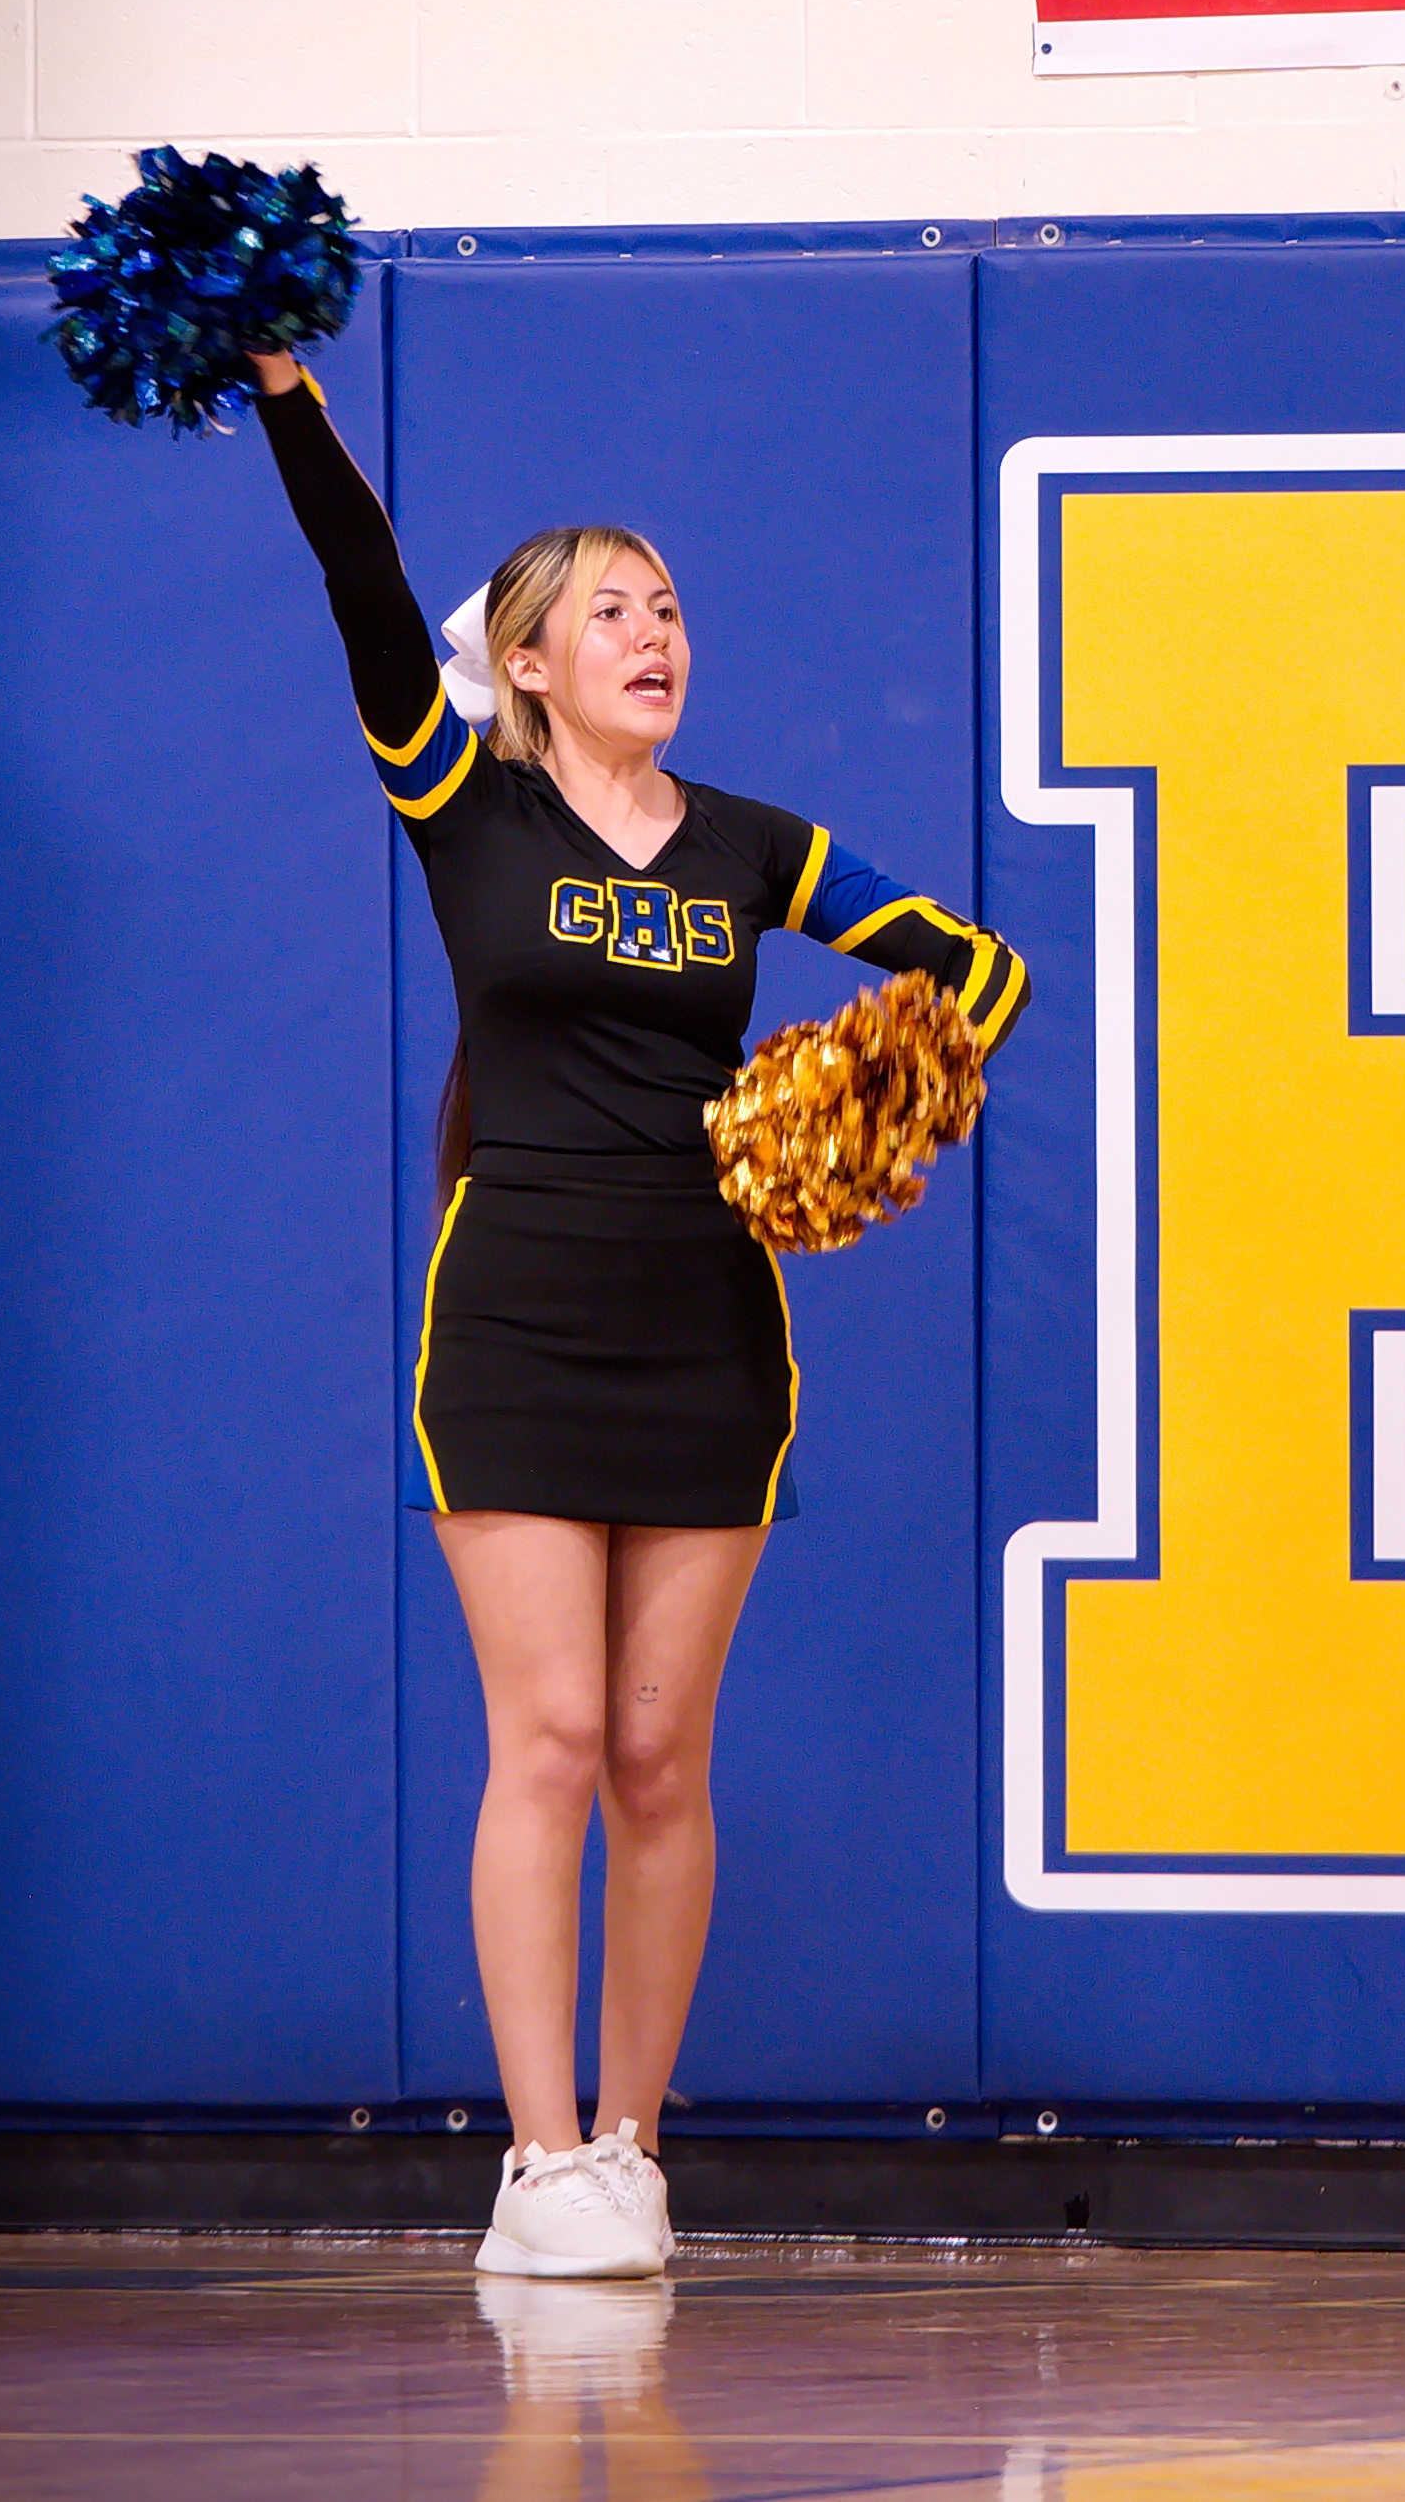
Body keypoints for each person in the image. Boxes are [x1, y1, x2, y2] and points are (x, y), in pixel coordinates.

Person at [247, 345, 1027, 2280]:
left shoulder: (754, 846)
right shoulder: (464, 805)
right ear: (526, 661)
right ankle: (534, 2167)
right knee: (555, 1737)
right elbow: (361, 590)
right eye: (611, 608)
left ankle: (632, 2145)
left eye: (668, 606)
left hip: (710, 1328)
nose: (653, 631)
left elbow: (977, 969)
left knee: (665, 1754)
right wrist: (286, 394)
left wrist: (863, 1092)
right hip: (511, 1314)